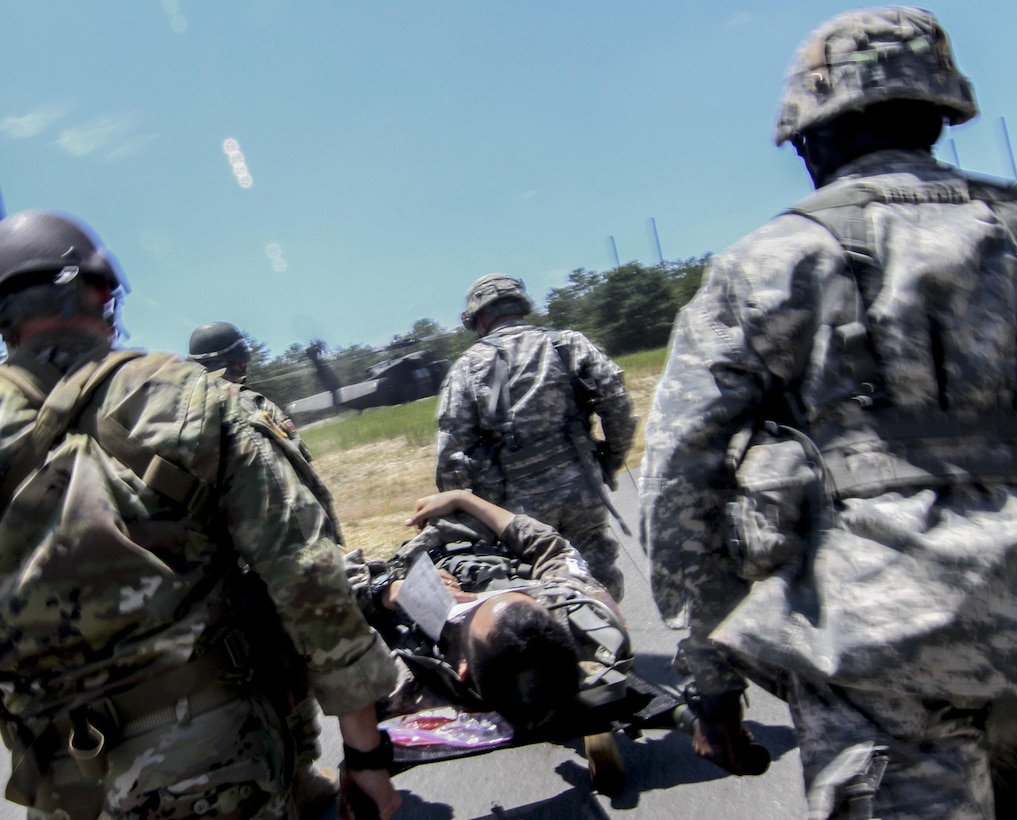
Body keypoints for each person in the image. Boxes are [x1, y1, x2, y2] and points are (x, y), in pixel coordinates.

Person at [640, 6, 1017, 817]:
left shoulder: (764, 264)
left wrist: (709, 680)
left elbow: (680, 485)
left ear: (809, 139)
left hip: (875, 648)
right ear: (938, 113)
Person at [0, 211, 401, 819]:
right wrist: (366, 754)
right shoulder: (192, 396)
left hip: (57, 780)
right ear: (102, 294)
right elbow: (305, 574)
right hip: (214, 762)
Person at [188, 319, 338, 816]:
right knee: (291, 674)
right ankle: (299, 779)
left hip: (214, 581)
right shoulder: (252, 407)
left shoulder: (176, 419)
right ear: (238, 362)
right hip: (269, 568)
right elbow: (296, 483)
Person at [345, 490, 632, 735]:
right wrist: (464, 499)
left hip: (411, 560)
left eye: (469, 610)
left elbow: (321, 592)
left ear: (463, 667)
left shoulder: (404, 683)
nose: (478, 599)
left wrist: (385, 589)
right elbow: (550, 546)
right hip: (480, 536)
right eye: (525, 596)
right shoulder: (581, 619)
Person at [436, 273, 636, 601]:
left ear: (481, 317)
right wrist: (610, 459)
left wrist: (470, 510)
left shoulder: (467, 367)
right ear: (521, 306)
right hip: (581, 489)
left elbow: (450, 457)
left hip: (517, 508)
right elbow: (618, 405)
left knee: (536, 586)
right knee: (598, 575)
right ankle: (608, 642)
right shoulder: (568, 344)